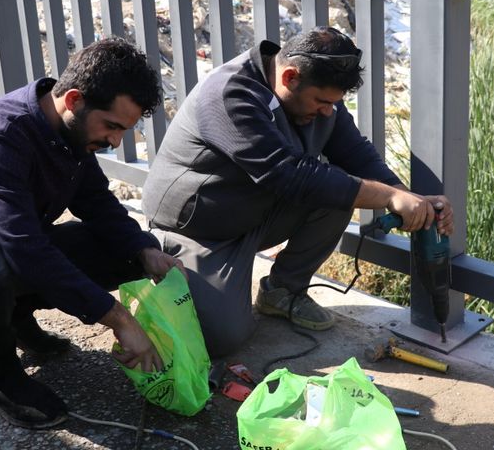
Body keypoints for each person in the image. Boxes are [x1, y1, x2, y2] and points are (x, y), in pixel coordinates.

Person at [0, 38, 185, 429]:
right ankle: (2, 379)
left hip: (9, 249)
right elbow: (24, 248)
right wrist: (119, 319)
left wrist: (146, 251)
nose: (115, 141)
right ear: (74, 99)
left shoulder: (67, 132)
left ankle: (16, 318)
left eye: (123, 130)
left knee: (121, 249)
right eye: (112, 126)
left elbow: (97, 203)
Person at [143, 26, 453, 357]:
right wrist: (388, 198)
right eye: (322, 102)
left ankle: (282, 291)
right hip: (198, 227)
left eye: (334, 104)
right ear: (290, 77)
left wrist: (407, 198)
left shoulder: (314, 95)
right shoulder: (230, 94)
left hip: (252, 211)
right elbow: (288, 175)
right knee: (223, 340)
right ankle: (163, 254)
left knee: (338, 190)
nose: (327, 112)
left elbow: (354, 153)